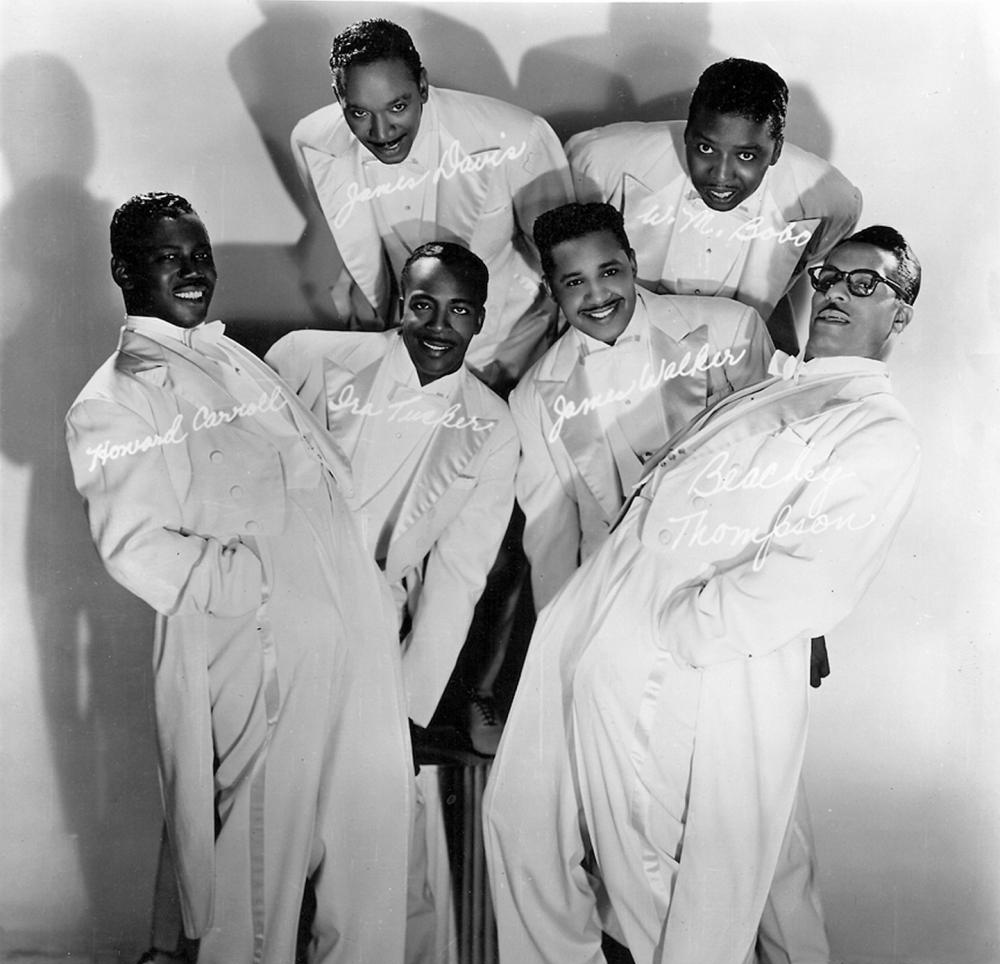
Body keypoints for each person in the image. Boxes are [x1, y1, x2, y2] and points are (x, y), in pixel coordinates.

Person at [484, 226, 922, 964]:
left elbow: (817, 575)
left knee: (674, 889)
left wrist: (683, 632)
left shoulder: (873, 424)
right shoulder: (782, 386)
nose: (834, 293)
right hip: (597, 620)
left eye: (866, 285)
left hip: (687, 655)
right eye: (828, 276)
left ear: (901, 313)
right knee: (525, 825)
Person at [68, 193, 413, 964]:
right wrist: (254, 593)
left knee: (368, 845)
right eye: (168, 256)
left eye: (199, 252)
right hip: (255, 648)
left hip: (350, 636)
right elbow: (135, 545)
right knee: (257, 869)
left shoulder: (235, 360)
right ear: (124, 272)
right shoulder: (120, 395)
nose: (192, 269)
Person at [267, 242, 518, 964]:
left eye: (459, 310)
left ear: (481, 317)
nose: (438, 326)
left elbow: (458, 578)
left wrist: (406, 711)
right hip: (273, 617)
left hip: (376, 639)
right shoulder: (308, 358)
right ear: (395, 303)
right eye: (421, 304)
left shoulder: (492, 425)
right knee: (261, 853)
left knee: (367, 864)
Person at [511, 201, 773, 611]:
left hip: (726, 589)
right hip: (617, 599)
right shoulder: (532, 397)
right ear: (549, 288)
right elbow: (551, 539)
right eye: (574, 282)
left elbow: (777, 481)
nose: (597, 295)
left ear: (632, 262)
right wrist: (560, 640)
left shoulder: (731, 330)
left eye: (609, 272)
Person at [291, 17, 575, 391]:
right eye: (359, 113)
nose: (381, 132)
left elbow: (564, 264)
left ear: (423, 85)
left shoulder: (519, 136)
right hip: (389, 344)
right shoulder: (312, 142)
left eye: (397, 106)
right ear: (338, 98)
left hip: (505, 352)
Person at [567, 58, 862, 358]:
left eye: (746, 156)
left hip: (739, 356)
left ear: (776, 151)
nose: (721, 176)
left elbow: (808, 256)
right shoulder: (602, 160)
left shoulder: (827, 197)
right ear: (687, 134)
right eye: (706, 148)